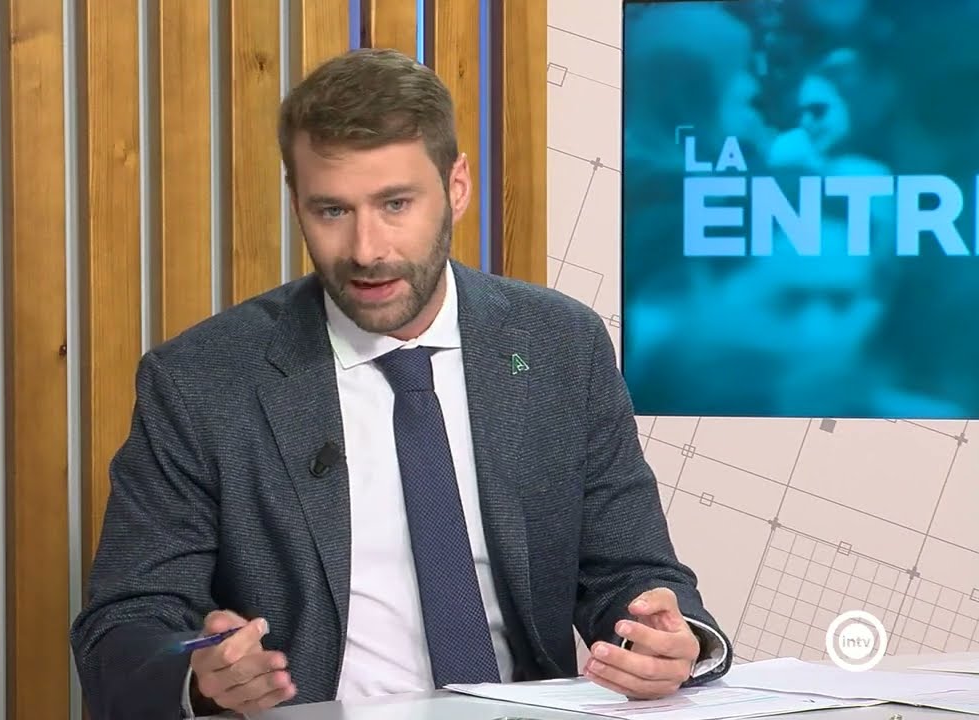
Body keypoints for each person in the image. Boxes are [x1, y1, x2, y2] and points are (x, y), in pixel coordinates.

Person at [70, 48, 732, 719]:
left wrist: (673, 640)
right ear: (297, 204)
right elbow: (125, 622)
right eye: (332, 211)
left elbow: (633, 572)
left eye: (395, 204)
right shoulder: (200, 381)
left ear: (456, 187)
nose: (366, 249)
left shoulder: (561, 345)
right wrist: (197, 673)